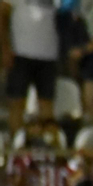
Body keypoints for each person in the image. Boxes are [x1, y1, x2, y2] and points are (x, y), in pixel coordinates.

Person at [2, 0, 61, 134]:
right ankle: (17, 146)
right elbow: (3, 14)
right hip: (20, 53)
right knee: (17, 103)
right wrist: (5, 47)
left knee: (47, 106)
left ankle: (46, 148)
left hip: (49, 56)